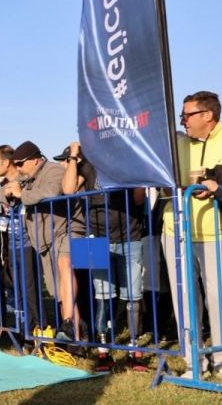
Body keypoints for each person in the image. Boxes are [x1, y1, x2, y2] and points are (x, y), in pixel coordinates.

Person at [162, 91, 222, 378]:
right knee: (184, 299)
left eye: (187, 115)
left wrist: (217, 183)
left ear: (208, 115)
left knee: (218, 298)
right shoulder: (176, 143)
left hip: (216, 233)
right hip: (175, 231)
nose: (183, 120)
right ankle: (194, 361)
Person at [58, 141, 146, 371]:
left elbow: (138, 198)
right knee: (103, 298)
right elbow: (68, 190)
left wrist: (138, 175)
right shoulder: (87, 164)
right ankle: (103, 352)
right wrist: (73, 157)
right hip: (97, 239)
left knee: (133, 298)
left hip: (130, 237)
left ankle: (135, 351)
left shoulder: (128, 160)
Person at [1, 141, 81, 342]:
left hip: (65, 230)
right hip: (44, 239)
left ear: (35, 160)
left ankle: (75, 335)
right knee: (59, 294)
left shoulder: (53, 170)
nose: (18, 168)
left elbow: (52, 192)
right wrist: (10, 190)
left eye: (20, 163)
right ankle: (72, 337)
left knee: (65, 277)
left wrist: (21, 194)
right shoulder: (26, 175)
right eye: (16, 164)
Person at [0, 145, 41, 337]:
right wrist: (7, 190)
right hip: (12, 244)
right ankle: (23, 330)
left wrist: (20, 191)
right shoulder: (5, 185)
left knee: (30, 291)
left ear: (7, 163)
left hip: (29, 243)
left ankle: (38, 330)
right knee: (18, 290)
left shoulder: (26, 179)